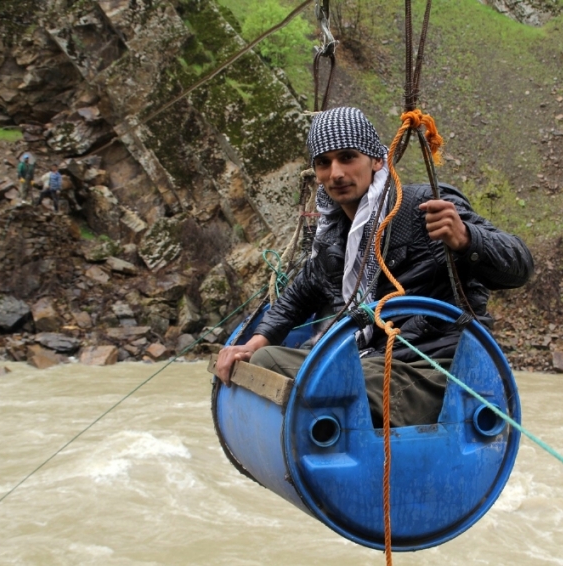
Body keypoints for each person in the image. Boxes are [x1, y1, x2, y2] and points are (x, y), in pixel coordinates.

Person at [214, 107, 534, 427]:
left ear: (377, 160)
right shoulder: (335, 235)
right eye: (324, 162)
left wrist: (466, 239)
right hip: (372, 363)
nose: (336, 173)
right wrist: (255, 342)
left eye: (348, 157)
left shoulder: (424, 207)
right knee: (265, 360)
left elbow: (520, 267)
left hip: (436, 371)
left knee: (342, 379)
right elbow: (298, 296)